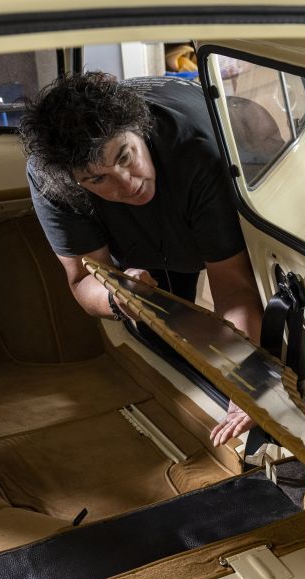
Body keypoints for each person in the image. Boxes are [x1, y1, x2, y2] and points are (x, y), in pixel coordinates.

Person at [19, 71, 261, 448]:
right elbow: (83, 280)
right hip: (140, 245)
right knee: (158, 324)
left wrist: (247, 386)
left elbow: (234, 288)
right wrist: (119, 296)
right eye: (98, 180)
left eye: (125, 157)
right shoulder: (52, 177)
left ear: (139, 129)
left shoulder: (196, 152)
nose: (126, 183)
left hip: (214, 156)